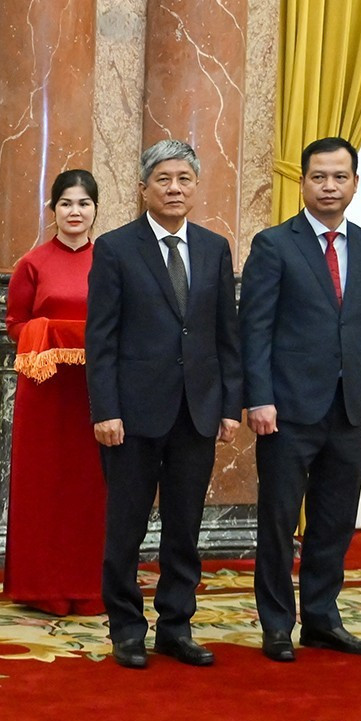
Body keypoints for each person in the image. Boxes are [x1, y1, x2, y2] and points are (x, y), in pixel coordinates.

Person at [85, 138, 242, 669]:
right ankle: (125, 628)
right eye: (164, 179)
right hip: (130, 415)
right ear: (143, 188)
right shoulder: (115, 248)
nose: (175, 188)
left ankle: (176, 625)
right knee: (125, 525)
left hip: (196, 411)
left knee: (185, 526)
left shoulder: (215, 247)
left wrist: (228, 406)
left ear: (196, 187)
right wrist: (104, 409)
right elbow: (100, 337)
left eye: (185, 179)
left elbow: (226, 334)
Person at [242, 136, 361, 662]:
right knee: (280, 521)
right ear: (302, 181)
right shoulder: (273, 244)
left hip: (349, 407)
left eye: (340, 177)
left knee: (335, 520)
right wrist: (257, 397)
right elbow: (254, 329)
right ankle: (278, 625)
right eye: (319, 177)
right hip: (285, 411)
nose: (329, 186)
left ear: (355, 182)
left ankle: (324, 619)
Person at [3, 169, 104, 615]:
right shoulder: (32, 263)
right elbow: (15, 324)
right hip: (44, 390)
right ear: (53, 210)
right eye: (66, 203)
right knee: (44, 485)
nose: (75, 211)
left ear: (96, 209)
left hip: (95, 390)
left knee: (91, 486)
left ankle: (89, 585)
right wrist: (53, 334)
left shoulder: (111, 260)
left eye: (83, 203)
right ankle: (42, 587)